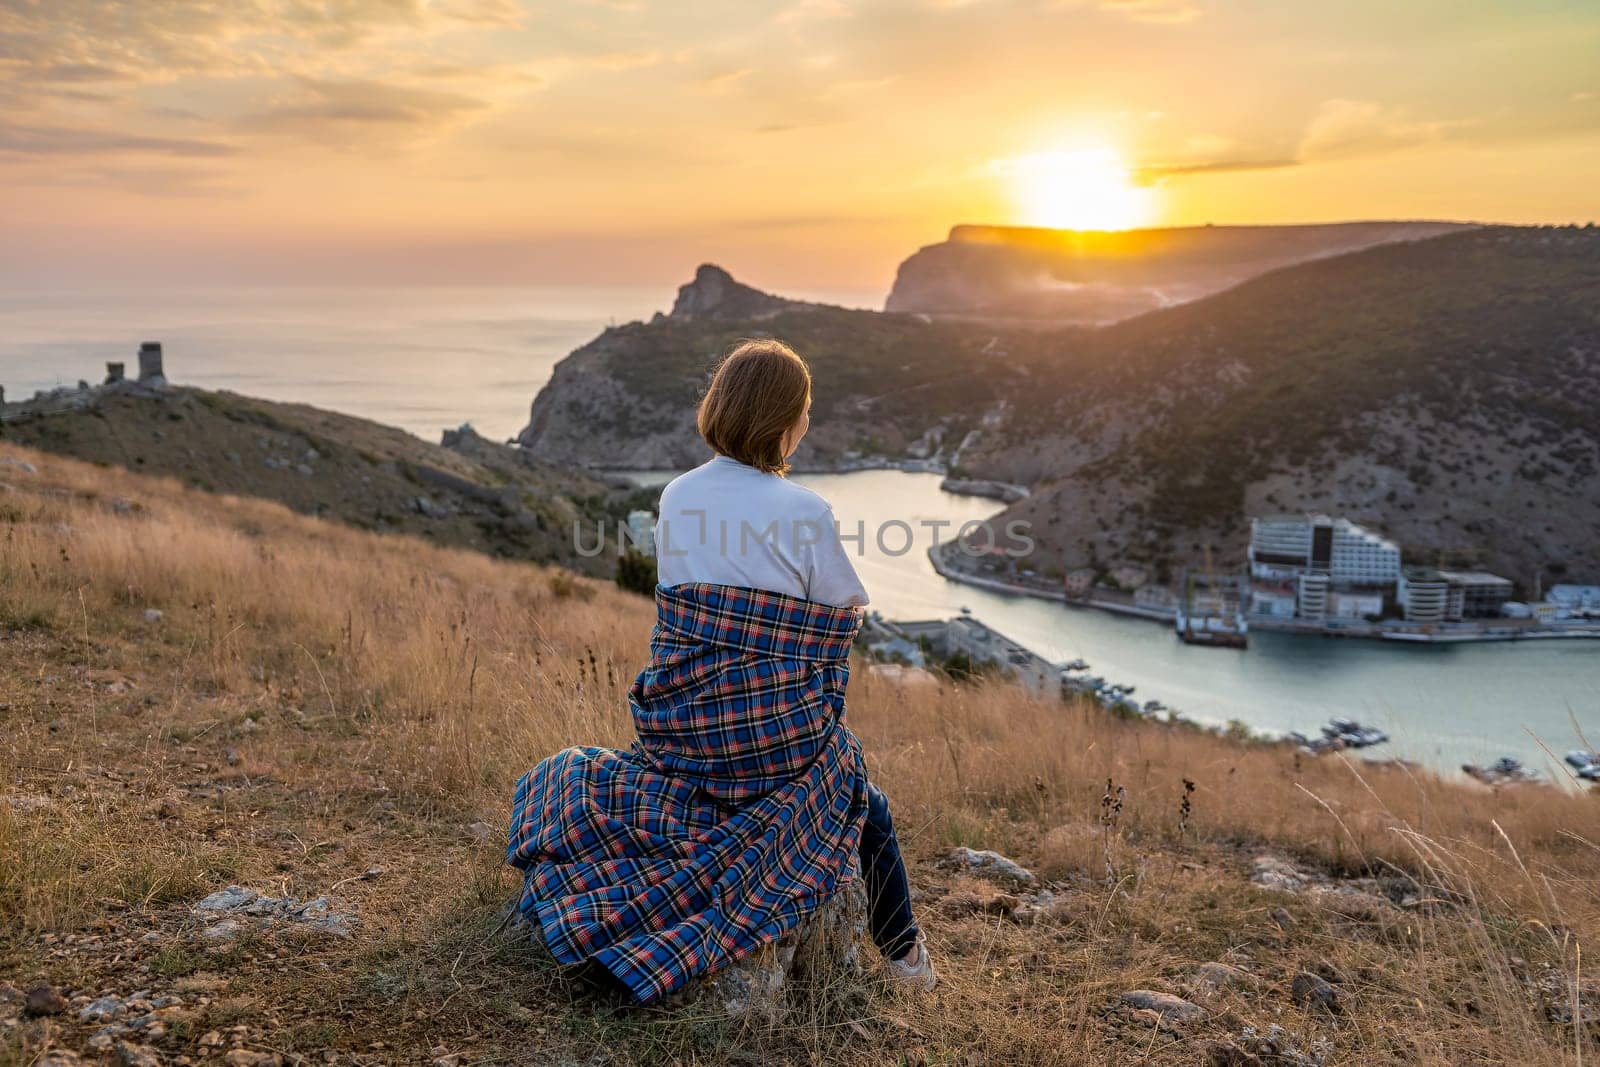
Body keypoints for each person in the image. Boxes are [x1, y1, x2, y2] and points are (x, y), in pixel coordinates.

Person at [506, 338, 933, 1004]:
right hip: (775, 748)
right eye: (806, 410)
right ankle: (908, 960)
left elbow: (683, 609)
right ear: (783, 419)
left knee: (603, 772)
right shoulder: (806, 512)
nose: (810, 423)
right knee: (862, 799)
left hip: (682, 732)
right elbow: (842, 617)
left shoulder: (677, 495)